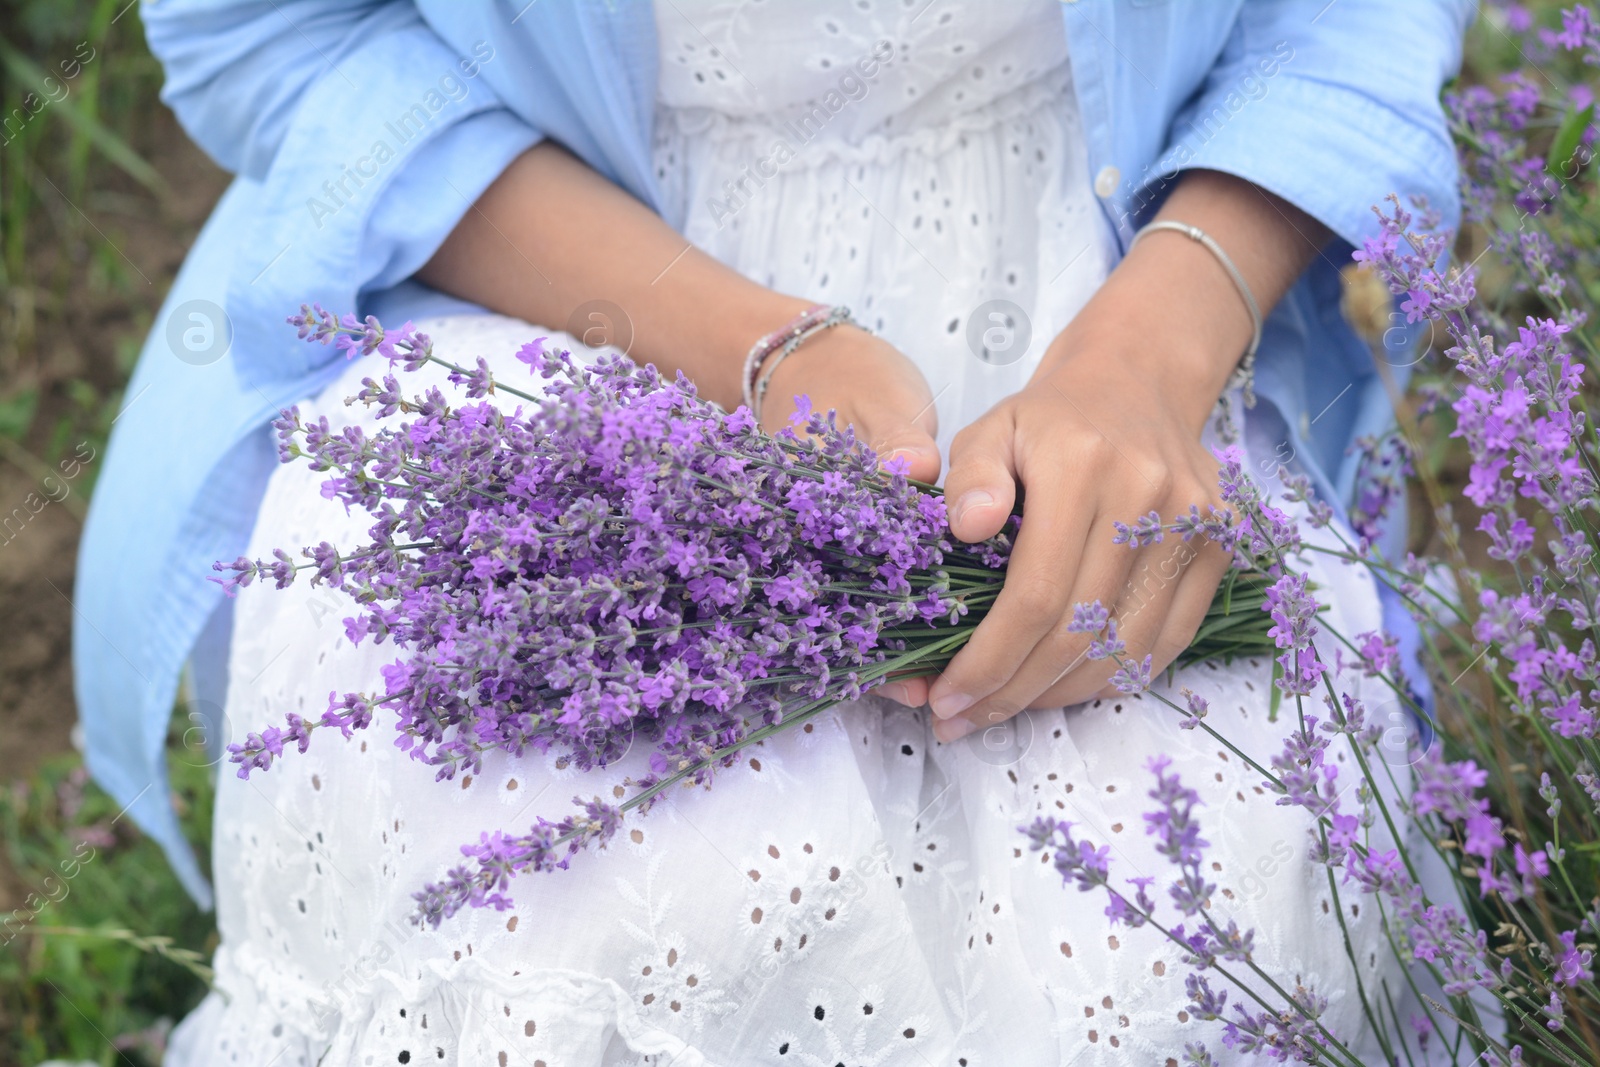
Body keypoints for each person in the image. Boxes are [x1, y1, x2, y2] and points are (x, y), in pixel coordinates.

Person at [76, 2, 1471, 1062]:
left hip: (1120, 284)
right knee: (614, 907)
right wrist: (761, 348)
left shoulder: (1146, 343)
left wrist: (1156, 357)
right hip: (564, 276)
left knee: (1189, 931)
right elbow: (275, 33)